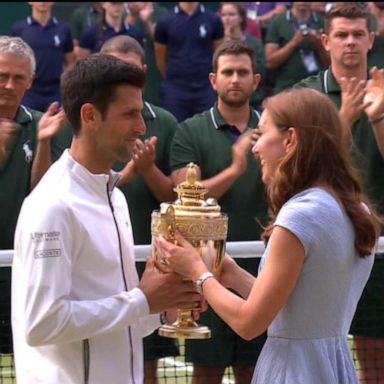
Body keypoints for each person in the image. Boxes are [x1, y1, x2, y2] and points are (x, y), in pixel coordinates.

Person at [156, 86, 383, 384]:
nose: (255, 147)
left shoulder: (300, 215)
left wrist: (198, 272)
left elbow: (249, 322)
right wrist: (232, 274)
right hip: (334, 368)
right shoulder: (355, 210)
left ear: (290, 139)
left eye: (262, 133)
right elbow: (295, 311)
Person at [11, 53, 201, 384]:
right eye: (129, 114)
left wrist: (163, 303)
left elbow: (122, 316)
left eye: (140, 113)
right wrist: (142, 299)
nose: (141, 127)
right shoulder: (53, 204)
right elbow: (40, 324)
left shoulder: (115, 197)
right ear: (89, 115)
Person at [170, 39, 269, 384]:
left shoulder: (275, 130)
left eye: (243, 72)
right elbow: (184, 196)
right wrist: (236, 168)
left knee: (254, 373)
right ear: (213, 80)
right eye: (228, 72)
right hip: (209, 271)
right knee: (207, 373)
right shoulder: (189, 130)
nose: (235, 79)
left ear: (256, 81)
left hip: (264, 268)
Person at [294, 4, 384, 381]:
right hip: (320, 239)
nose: (350, 42)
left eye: (358, 34)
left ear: (371, 39)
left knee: (375, 357)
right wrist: (344, 116)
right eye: (342, 35)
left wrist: (377, 115)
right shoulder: (305, 95)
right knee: (316, 350)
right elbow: (299, 164)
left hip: (377, 239)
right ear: (326, 41)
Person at [100, 35, 179, 384]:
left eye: (129, 71)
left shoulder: (165, 121)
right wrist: (127, 174)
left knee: (147, 362)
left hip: (150, 260)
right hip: (100, 260)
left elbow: (173, 197)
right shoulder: (86, 123)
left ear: (145, 73)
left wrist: (147, 170)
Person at [0, 35, 66, 360]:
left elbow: (43, 194)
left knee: (33, 360)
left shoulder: (44, 124)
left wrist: (42, 144)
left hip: (23, 268)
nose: (9, 85)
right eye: (2, 76)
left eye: (17, 78)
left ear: (31, 81)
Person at [154, 2, 224, 122]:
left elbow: (219, 55)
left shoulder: (213, 20)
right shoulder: (165, 21)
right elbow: (160, 58)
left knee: (209, 130)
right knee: (174, 131)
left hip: (206, 88)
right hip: (175, 89)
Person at [10, 2, 75, 112]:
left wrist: (65, 86)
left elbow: (70, 62)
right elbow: (12, 61)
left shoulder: (64, 29)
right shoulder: (18, 29)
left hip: (56, 92)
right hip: (29, 92)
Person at [265, 1, 329, 94]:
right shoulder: (277, 22)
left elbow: (330, 62)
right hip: (286, 87)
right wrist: (294, 43)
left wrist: (317, 43)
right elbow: (269, 63)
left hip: (317, 87)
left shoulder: (322, 22)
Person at [218, 2, 266, 110]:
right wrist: (226, 41)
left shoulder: (255, 43)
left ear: (241, 18)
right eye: (224, 15)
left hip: (252, 100)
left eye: (231, 15)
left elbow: (261, 71)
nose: (227, 19)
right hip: (224, 99)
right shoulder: (217, 43)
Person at [76, 2, 144, 61]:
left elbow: (139, 58)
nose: (117, 7)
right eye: (113, 3)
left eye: (120, 3)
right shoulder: (91, 32)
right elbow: (82, 61)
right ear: (104, 4)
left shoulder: (135, 32)